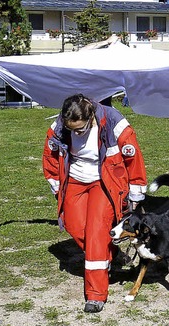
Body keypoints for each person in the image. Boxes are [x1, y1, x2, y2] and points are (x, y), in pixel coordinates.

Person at [43, 93, 147, 313]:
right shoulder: (60, 126)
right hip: (75, 181)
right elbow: (51, 155)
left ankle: (96, 294)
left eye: (80, 129)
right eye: (72, 130)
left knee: (96, 233)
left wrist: (136, 194)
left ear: (90, 116)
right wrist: (55, 185)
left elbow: (133, 158)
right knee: (74, 225)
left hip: (104, 183)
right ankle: (112, 253)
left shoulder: (113, 122)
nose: (76, 133)